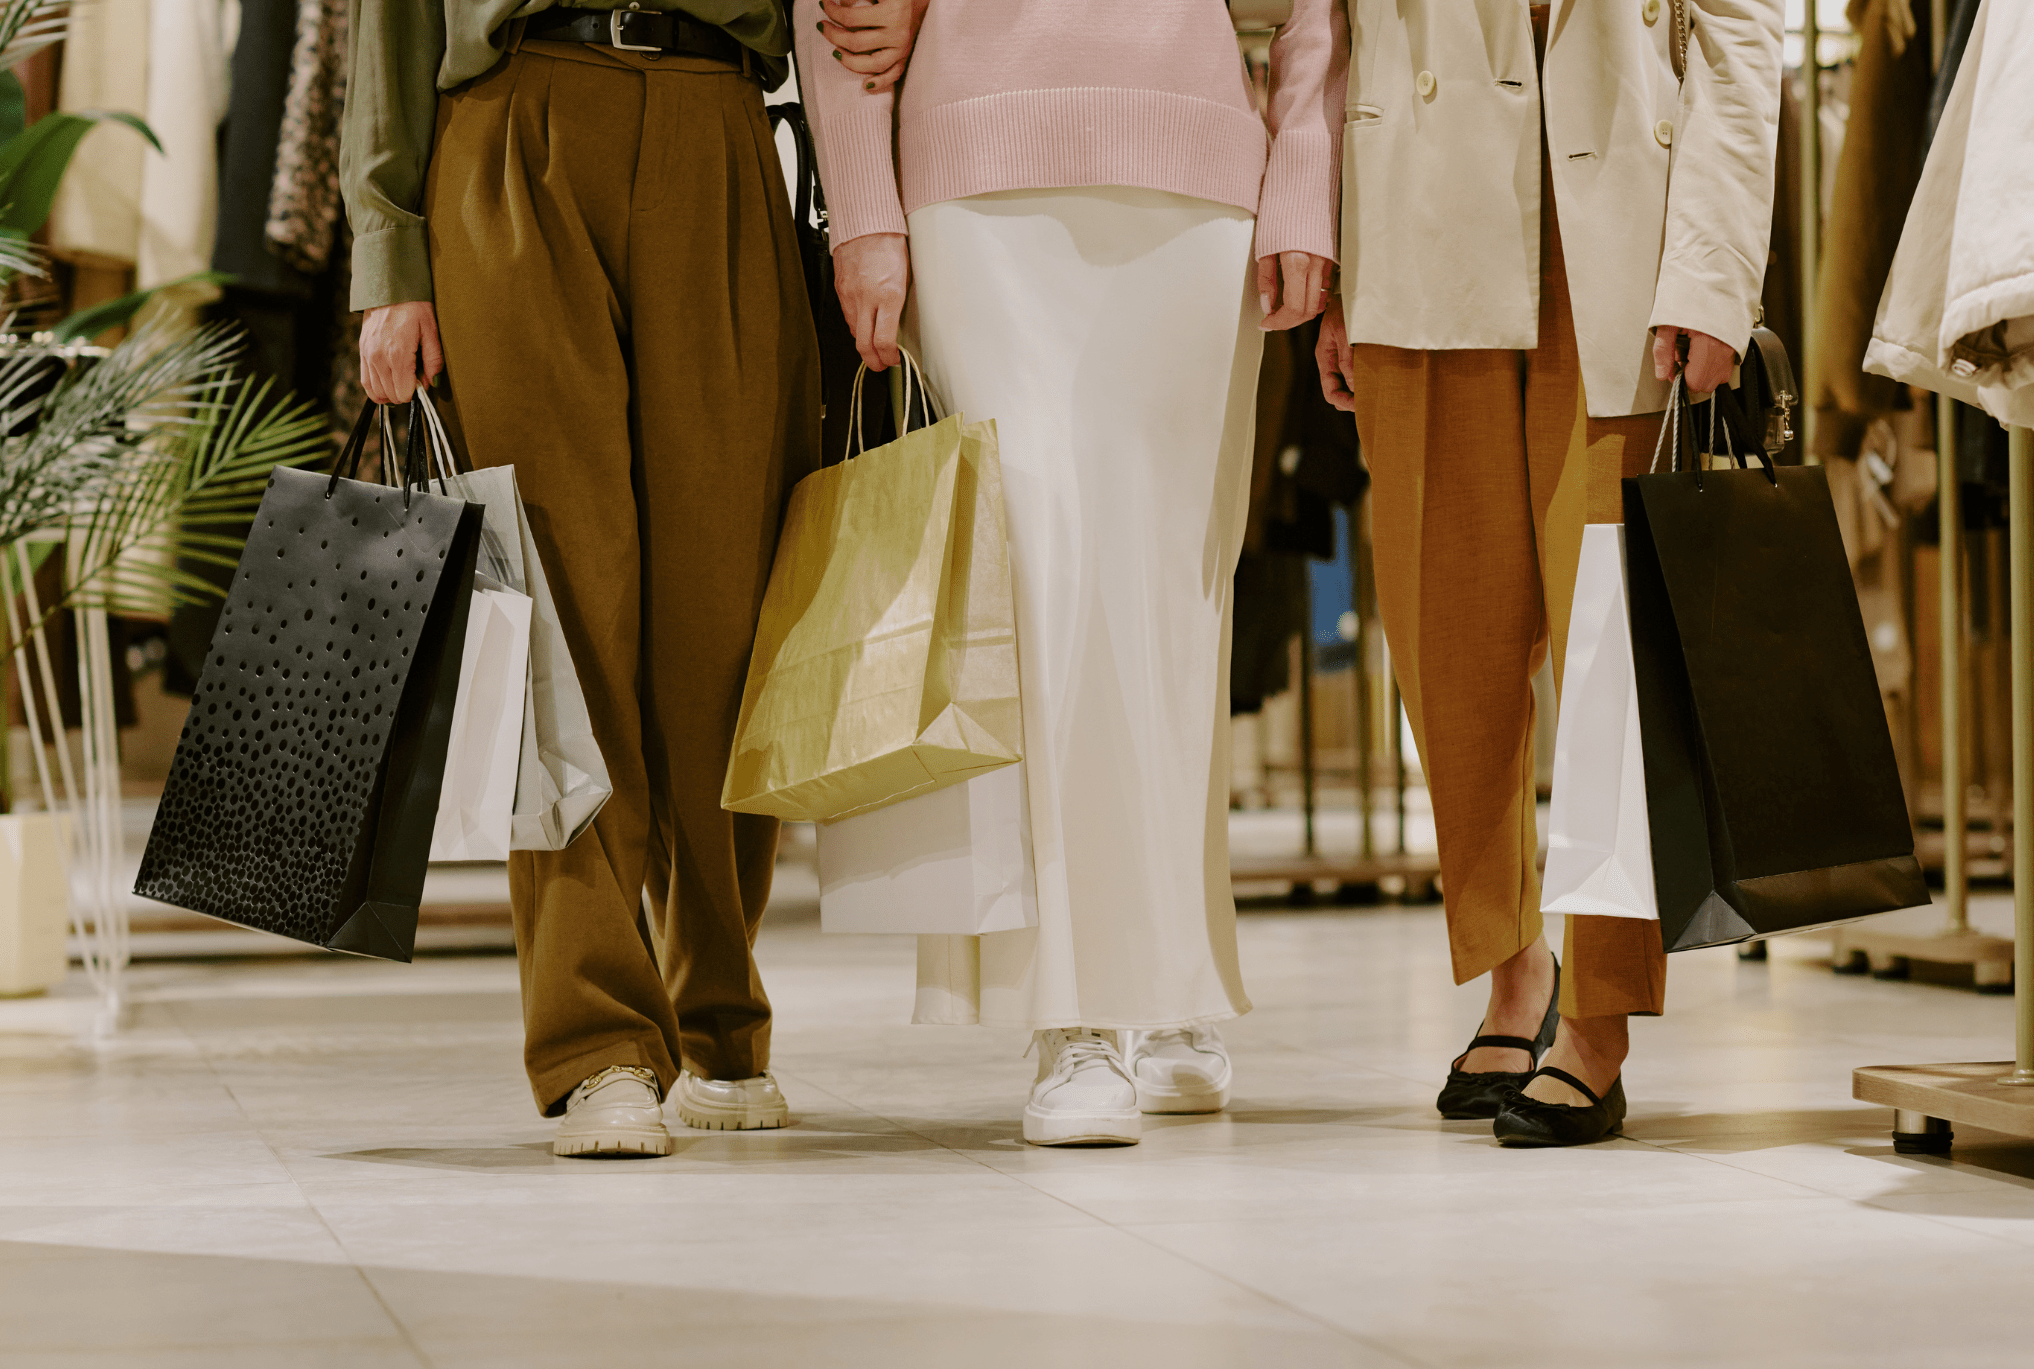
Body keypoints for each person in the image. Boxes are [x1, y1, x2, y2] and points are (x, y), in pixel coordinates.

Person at [799, 0, 1343, 1145]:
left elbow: (1316, 9)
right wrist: (861, 208)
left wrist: (1302, 171)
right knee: (1042, 577)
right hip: (974, 170)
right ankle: (1078, 1014)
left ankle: (1171, 975)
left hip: (1194, 173)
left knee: (1172, 591)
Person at [344, 0, 820, 1156]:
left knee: (727, 609)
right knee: (561, 605)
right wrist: (387, 251)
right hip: (516, 125)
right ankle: (595, 1040)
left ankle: (722, 1013)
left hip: (722, 121)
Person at [1314, 0, 1783, 1145]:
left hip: (1618, 233)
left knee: (1615, 648)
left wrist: (1715, 271)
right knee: (1445, 639)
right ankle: (1509, 965)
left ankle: (1601, 1016)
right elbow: (1320, 39)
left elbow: (1739, 29)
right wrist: (1328, 261)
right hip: (1419, 221)